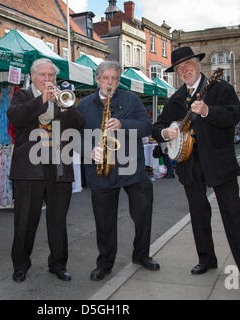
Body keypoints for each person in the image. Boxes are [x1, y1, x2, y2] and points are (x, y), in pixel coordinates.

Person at [151, 46, 240, 290]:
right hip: (189, 165)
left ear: (197, 64)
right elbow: (157, 127)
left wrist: (207, 111)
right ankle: (206, 259)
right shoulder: (176, 98)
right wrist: (165, 132)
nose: (184, 70)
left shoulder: (220, 88)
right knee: (198, 214)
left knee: (233, 215)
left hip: (219, 162)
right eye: (179, 68)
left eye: (187, 65)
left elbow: (233, 116)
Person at [78, 61, 160, 281]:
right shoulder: (85, 105)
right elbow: (75, 138)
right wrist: (89, 151)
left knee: (143, 214)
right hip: (101, 171)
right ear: (97, 79)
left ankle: (141, 255)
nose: (110, 82)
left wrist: (123, 124)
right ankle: (104, 263)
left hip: (132, 169)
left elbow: (146, 126)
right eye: (105, 78)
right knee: (104, 222)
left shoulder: (131, 99)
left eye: (114, 78)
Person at [7, 58, 84, 282]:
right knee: (25, 220)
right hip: (28, 169)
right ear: (32, 76)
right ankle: (21, 264)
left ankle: (58, 264)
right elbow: (17, 118)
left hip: (59, 166)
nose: (48, 80)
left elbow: (79, 124)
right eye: (43, 75)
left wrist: (65, 107)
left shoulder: (63, 97)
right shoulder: (22, 96)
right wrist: (42, 99)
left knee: (58, 220)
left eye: (51, 76)